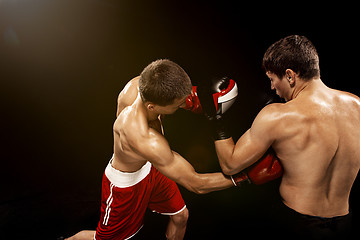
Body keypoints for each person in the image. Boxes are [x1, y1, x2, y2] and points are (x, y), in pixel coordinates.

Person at [199, 35, 360, 239]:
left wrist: (215, 119)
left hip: (298, 225)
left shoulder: (278, 115)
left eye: (272, 79)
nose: (272, 87)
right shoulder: (357, 105)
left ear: (290, 76)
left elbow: (230, 165)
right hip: (345, 223)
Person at [66, 59, 237, 240]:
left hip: (152, 166)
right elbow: (197, 184)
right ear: (152, 107)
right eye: (179, 104)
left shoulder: (144, 84)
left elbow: (166, 81)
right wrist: (244, 177)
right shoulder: (143, 137)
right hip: (126, 187)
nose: (183, 105)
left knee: (181, 216)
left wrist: (190, 98)